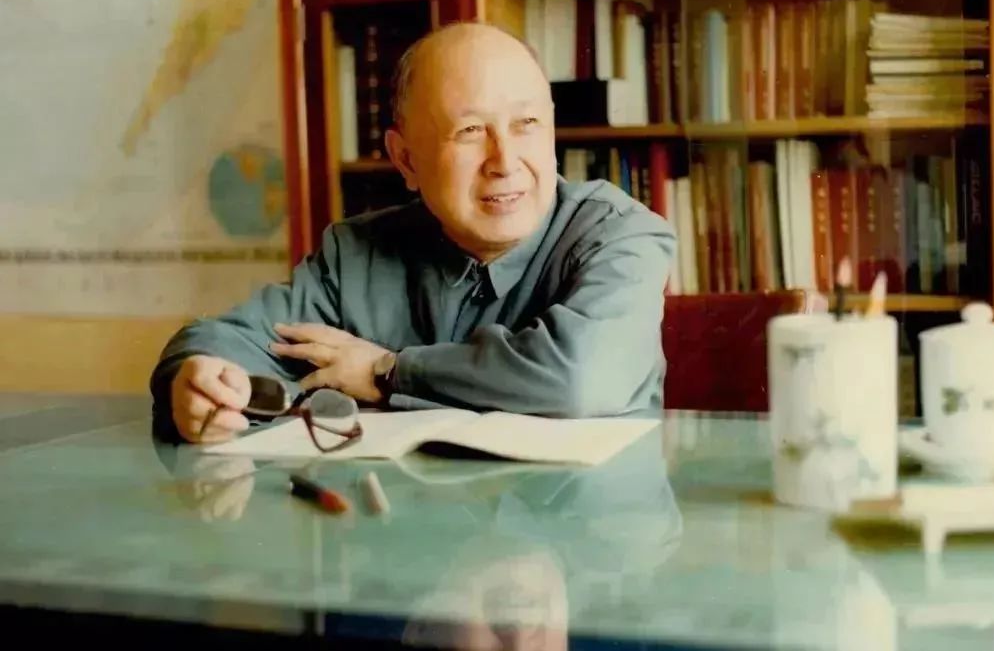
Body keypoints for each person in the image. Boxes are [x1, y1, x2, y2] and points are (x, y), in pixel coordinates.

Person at [150, 22, 675, 443]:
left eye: (527, 124)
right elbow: (226, 341)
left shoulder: (621, 236)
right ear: (405, 159)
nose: (505, 161)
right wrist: (199, 381)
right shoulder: (358, 255)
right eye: (471, 131)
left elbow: (580, 379)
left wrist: (386, 371)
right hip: (407, 531)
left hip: (581, 534)